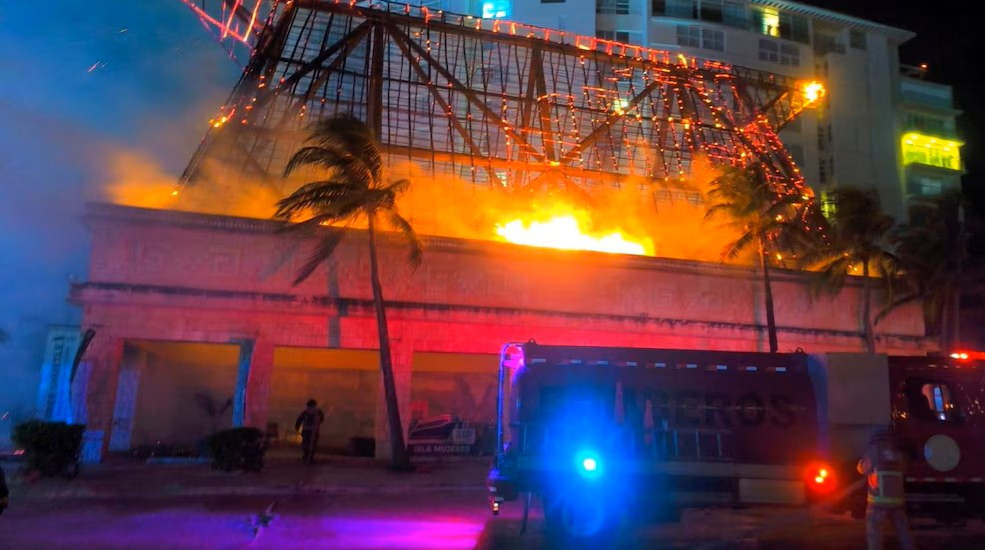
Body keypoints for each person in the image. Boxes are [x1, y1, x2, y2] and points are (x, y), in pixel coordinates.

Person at [857, 427, 916, 550]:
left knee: (875, 532)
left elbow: (864, 469)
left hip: (878, 500)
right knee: (903, 532)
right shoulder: (898, 452)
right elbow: (904, 471)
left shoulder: (873, 450)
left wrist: (860, 464)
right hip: (897, 500)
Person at [295, 399, 325, 464]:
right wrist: (297, 427)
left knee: (313, 445)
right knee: (306, 444)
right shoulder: (305, 413)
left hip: (314, 431)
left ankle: (310, 457)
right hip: (307, 431)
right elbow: (299, 420)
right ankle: (306, 456)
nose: (311, 408)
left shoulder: (317, 413)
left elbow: (322, 419)